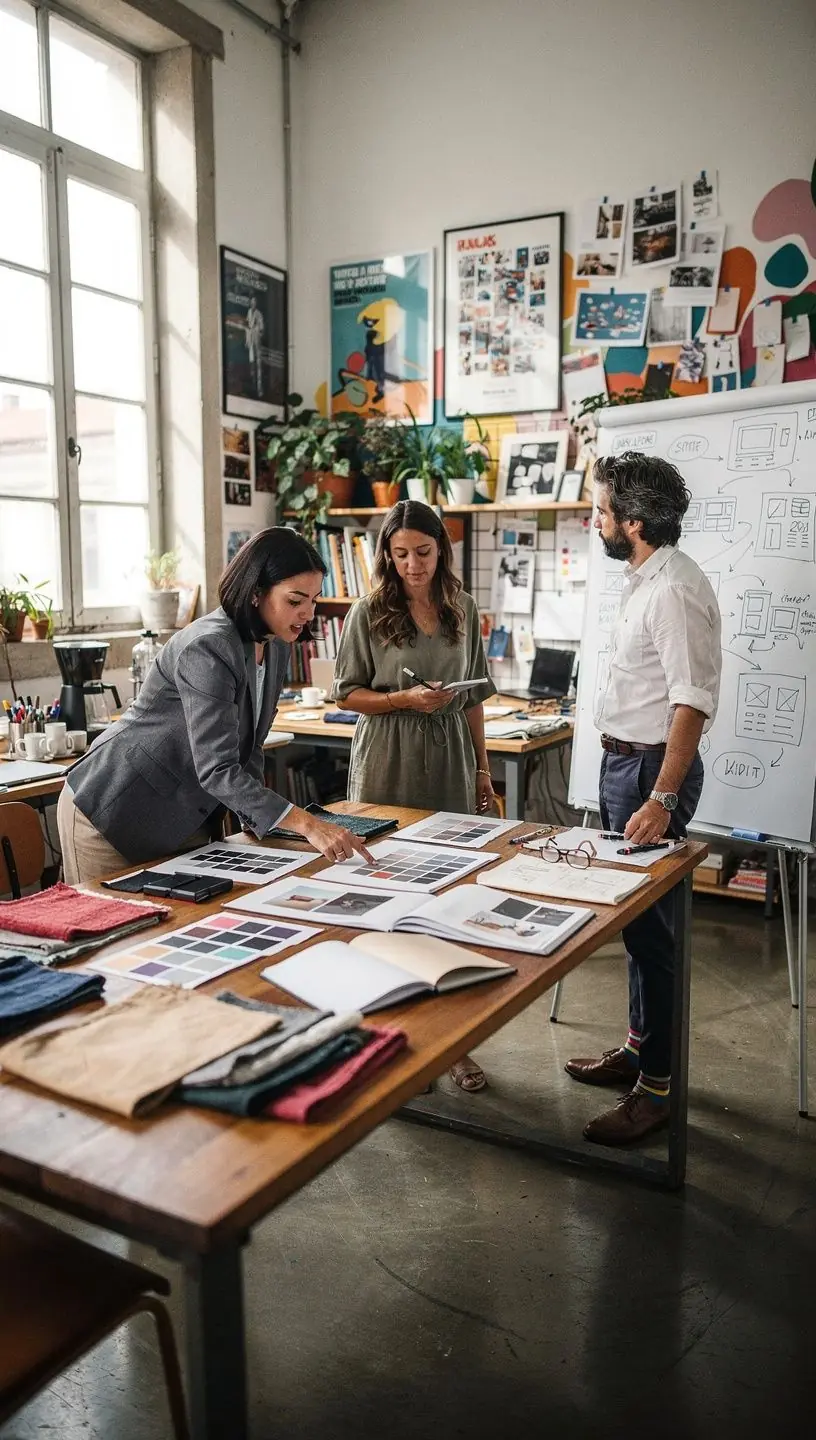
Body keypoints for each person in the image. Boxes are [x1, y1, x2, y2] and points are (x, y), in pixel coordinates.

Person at [57, 529, 373, 885]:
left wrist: (257, 824)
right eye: (295, 600)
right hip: (113, 812)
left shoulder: (277, 644)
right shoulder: (208, 648)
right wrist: (306, 823)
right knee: (116, 935)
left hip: (184, 817)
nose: (308, 614)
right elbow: (218, 768)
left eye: (314, 600)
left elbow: (249, 749)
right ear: (256, 593)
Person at [566, 452, 721, 1146]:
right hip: (623, 765)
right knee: (635, 928)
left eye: (600, 510)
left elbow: (690, 704)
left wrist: (661, 797)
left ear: (631, 521)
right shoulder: (644, 577)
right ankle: (637, 1051)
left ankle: (656, 1091)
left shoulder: (673, 590)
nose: (593, 519)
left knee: (654, 939)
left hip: (652, 774)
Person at [333, 500, 497, 1092]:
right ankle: (392, 1041)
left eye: (422, 552)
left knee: (446, 896)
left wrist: (483, 774)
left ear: (441, 549)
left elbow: (475, 698)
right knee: (384, 896)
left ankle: (452, 1043)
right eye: (399, 554)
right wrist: (402, 700)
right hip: (388, 759)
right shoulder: (368, 611)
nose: (411, 566)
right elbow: (346, 694)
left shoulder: (462, 607)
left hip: (450, 756)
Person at [245, 295, 264, 398]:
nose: (253, 303)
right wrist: (248, 339)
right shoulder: (249, 312)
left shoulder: (259, 314)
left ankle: (259, 389)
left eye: (255, 302)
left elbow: (261, 328)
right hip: (251, 341)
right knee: (251, 364)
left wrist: (257, 332)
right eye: (252, 302)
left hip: (257, 341)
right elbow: (248, 325)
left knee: (258, 365)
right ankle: (252, 387)